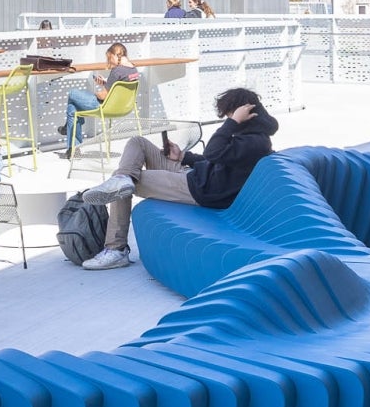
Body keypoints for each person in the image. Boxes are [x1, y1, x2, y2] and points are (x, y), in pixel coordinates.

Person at [76, 88, 276, 271]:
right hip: (194, 175)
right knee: (137, 143)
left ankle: (116, 249)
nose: (227, 118)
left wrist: (232, 123)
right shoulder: (249, 136)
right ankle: (123, 177)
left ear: (245, 112)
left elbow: (214, 151)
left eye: (229, 114)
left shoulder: (254, 142)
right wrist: (182, 157)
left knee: (124, 184)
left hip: (198, 189)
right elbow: (216, 161)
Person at [62, 43, 142, 149]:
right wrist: (106, 83)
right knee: (72, 109)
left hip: (103, 106)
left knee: (73, 94)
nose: (109, 62)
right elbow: (119, 88)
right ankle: (72, 147)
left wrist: (95, 93)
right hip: (123, 107)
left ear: (114, 55)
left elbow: (103, 96)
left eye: (109, 58)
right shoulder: (134, 70)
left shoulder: (117, 71)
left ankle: (72, 141)